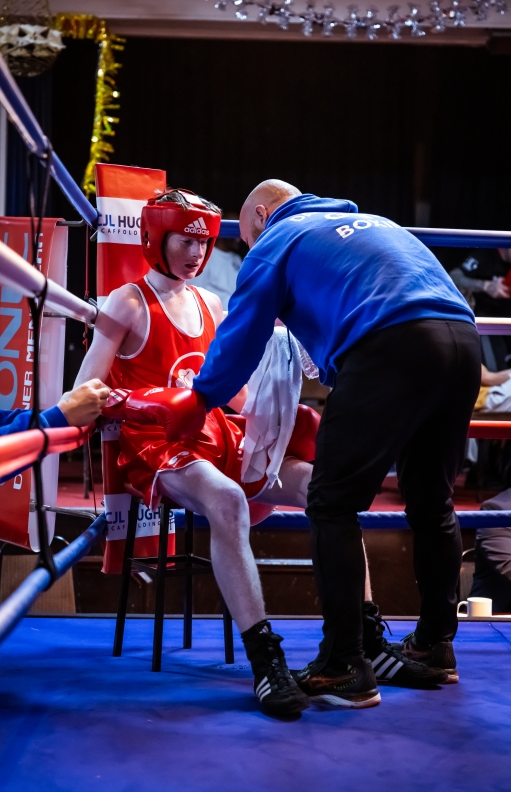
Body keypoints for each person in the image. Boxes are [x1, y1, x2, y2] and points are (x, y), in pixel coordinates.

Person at [192, 179, 480, 707]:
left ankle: (345, 664)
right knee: (432, 500)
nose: (250, 247)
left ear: (261, 215)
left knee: (330, 503)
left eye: (247, 237)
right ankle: (435, 646)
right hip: (462, 341)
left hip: (391, 344)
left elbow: (241, 338)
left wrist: (200, 400)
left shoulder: (279, 237)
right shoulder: (374, 223)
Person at [75, 189, 317, 716]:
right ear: (156, 238)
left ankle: (356, 642)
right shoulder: (127, 301)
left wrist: (277, 412)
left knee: (323, 488)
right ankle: (266, 662)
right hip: (156, 445)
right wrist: (145, 402)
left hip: (213, 435)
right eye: (185, 241)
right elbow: (82, 393)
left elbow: (235, 395)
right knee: (227, 500)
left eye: (203, 243)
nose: (196, 253)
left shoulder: (211, 303)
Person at [188, 213, 242, 309]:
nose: (238, 237)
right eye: (234, 230)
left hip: (235, 312)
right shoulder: (205, 256)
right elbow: (193, 290)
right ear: (224, 230)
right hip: (213, 312)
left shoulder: (236, 258)